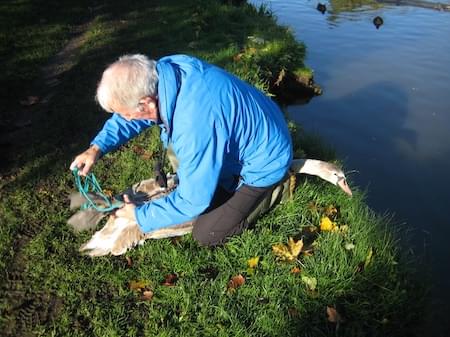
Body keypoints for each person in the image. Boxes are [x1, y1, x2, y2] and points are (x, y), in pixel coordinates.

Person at [70, 54, 293, 246]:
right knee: (188, 166)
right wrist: (97, 148)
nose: (126, 119)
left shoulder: (194, 123)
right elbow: (130, 116)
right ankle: (220, 178)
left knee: (208, 233)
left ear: (147, 103)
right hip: (253, 130)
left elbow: (193, 201)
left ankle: (274, 192)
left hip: (265, 163)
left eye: (126, 114)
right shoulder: (165, 74)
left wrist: (139, 215)